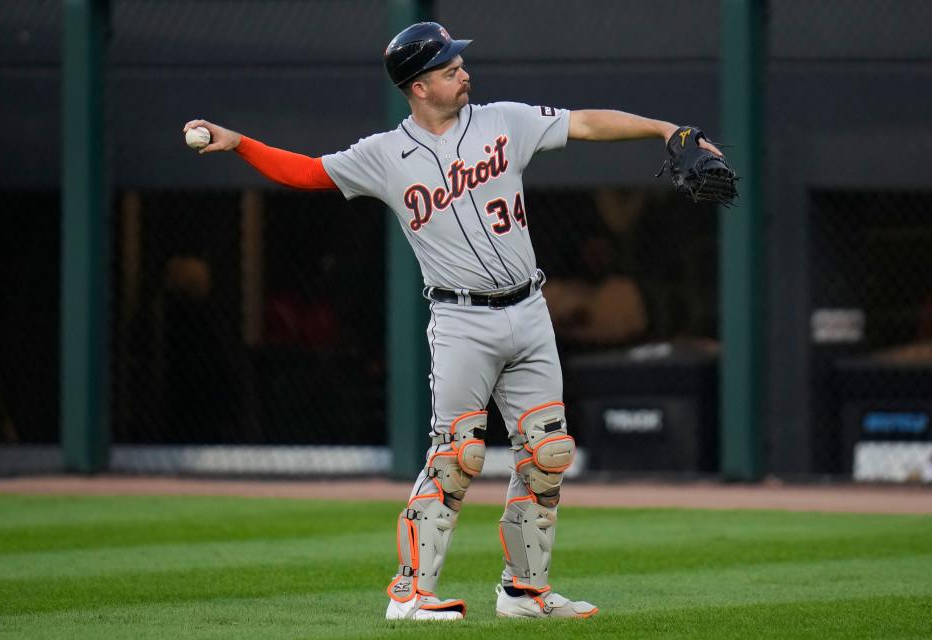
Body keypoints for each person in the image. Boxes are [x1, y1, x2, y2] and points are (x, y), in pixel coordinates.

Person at [183, 21, 723, 621]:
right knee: (456, 458)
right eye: (447, 69)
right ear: (418, 86)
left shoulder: (503, 121)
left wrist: (664, 129)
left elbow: (587, 121)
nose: (463, 72)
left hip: (530, 310)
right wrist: (238, 143)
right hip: (461, 319)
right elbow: (307, 172)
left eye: (458, 64)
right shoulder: (383, 155)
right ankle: (410, 595)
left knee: (547, 454)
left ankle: (525, 592)